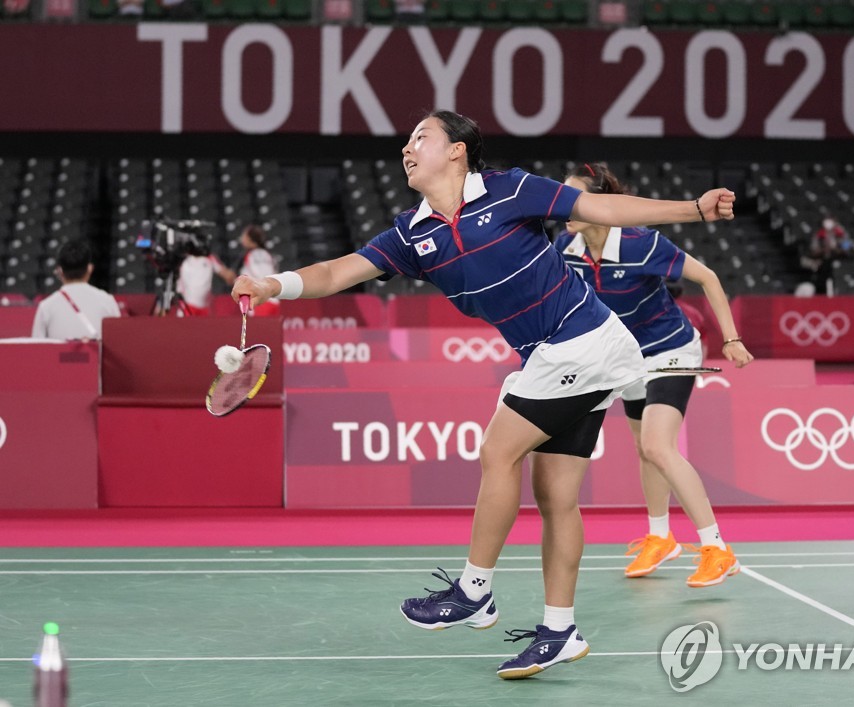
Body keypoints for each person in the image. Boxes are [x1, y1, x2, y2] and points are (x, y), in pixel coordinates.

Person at [231, 110, 736, 680]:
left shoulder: (509, 189)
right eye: (407, 139)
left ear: (458, 151)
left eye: (422, 136)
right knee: (554, 494)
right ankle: (559, 630)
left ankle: (474, 590)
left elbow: (602, 209)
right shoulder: (412, 234)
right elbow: (334, 272)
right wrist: (274, 284)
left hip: (582, 342)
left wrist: (693, 209)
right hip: (552, 354)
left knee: (498, 452)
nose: (408, 146)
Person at [556, 162, 753, 586]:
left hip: (670, 348)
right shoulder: (565, 250)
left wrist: (731, 338)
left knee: (658, 446)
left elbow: (708, 278)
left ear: (600, 204)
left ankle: (717, 548)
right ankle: (660, 537)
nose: (562, 207)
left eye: (572, 199)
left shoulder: (641, 244)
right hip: (624, 357)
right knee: (644, 449)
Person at [31, 240, 120, 340]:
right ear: (89, 268)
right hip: (97, 355)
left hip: (59, 356)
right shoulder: (107, 301)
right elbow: (118, 343)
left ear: (59, 271)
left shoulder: (46, 306)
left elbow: (37, 348)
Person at [214, 224, 281, 316]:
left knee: (256, 330)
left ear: (249, 239)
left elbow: (230, 278)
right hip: (274, 301)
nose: (241, 238)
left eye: (243, 235)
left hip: (258, 303)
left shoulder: (246, 255)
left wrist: (214, 262)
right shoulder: (269, 255)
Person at [806, 215, 851, 295]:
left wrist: (835, 249)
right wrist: (824, 249)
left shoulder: (841, 234)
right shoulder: (818, 235)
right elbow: (813, 252)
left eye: (831, 221)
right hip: (824, 264)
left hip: (839, 261)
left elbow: (847, 249)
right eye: (827, 221)